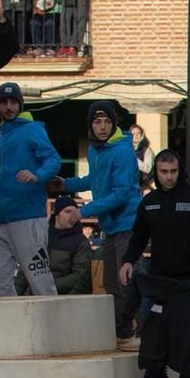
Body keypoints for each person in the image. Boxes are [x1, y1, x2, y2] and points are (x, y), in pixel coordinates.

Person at [122, 151, 190, 378]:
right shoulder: (149, 202)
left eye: (173, 172)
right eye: (164, 172)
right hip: (160, 282)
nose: (168, 177)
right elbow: (138, 237)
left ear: (180, 171)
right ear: (156, 172)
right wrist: (128, 261)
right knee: (152, 340)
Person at [62, 100, 141, 340]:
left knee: (126, 281)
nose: (103, 127)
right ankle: (122, 329)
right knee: (111, 282)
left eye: (107, 121)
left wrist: (83, 212)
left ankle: (141, 331)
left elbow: (120, 193)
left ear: (114, 123)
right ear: (91, 125)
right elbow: (92, 180)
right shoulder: (97, 150)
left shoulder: (122, 152)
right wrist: (66, 184)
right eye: (97, 122)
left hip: (127, 225)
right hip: (111, 226)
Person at [0, 82, 60, 297]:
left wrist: (38, 176)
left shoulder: (32, 129)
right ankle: (11, 328)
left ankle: (53, 329)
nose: (8, 107)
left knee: (40, 280)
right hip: (0, 220)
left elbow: (53, 159)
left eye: (13, 102)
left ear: (20, 105)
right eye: (3, 103)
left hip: (28, 218)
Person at [45, 196, 93, 294]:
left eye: (75, 213)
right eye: (67, 212)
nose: (72, 216)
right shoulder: (42, 237)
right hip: (34, 293)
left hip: (63, 296)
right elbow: (26, 269)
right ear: (57, 215)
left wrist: (50, 287)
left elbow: (80, 275)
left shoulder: (81, 242)